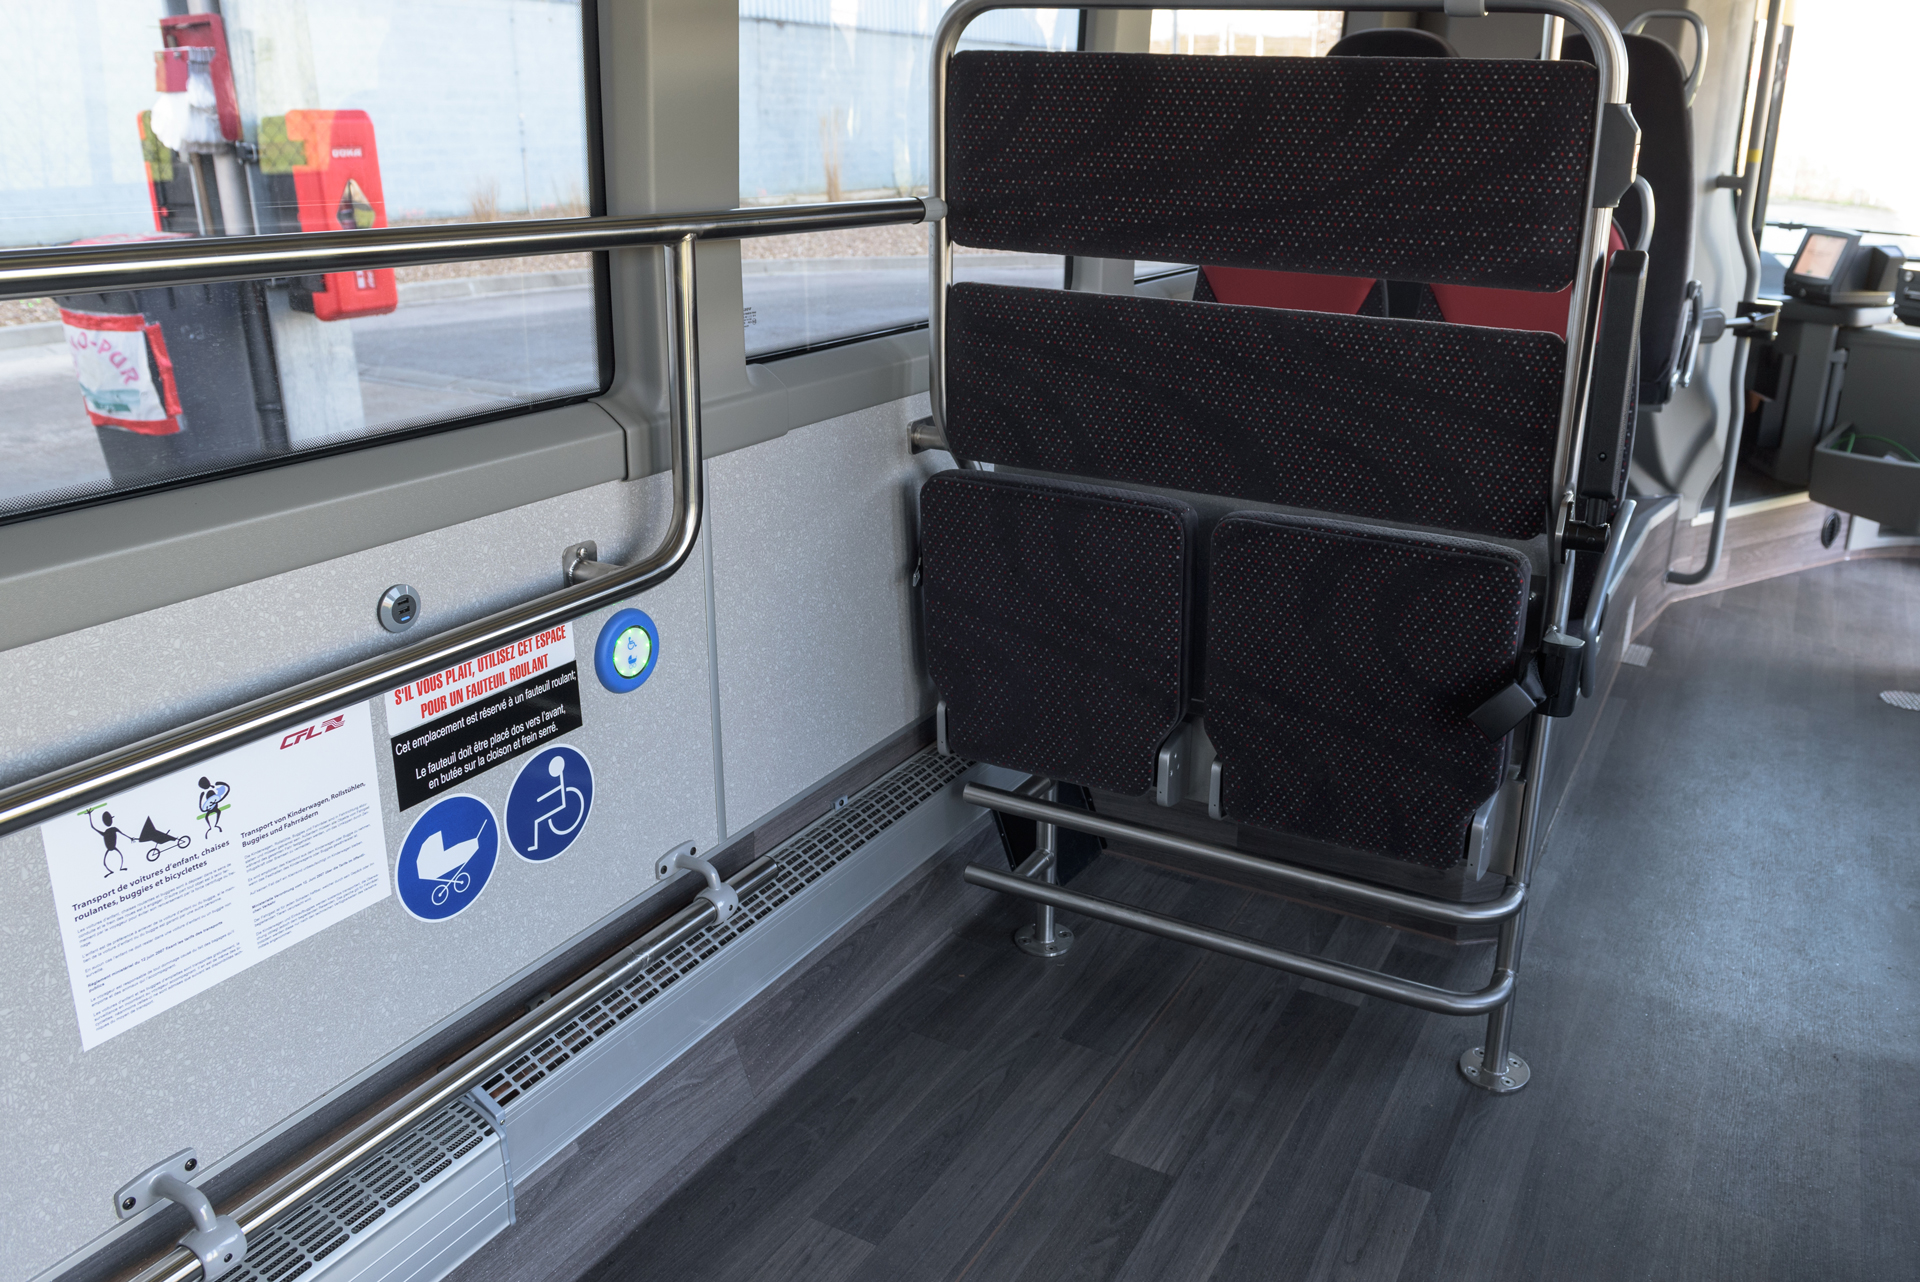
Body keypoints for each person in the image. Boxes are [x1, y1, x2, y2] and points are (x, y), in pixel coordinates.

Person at [89, 809, 129, 877]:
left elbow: (93, 827)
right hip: (111, 847)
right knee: (115, 858)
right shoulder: (110, 831)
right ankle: (112, 870)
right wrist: (90, 815)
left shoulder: (111, 830)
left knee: (119, 856)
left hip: (111, 847)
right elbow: (93, 827)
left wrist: (90, 815)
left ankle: (118, 868)